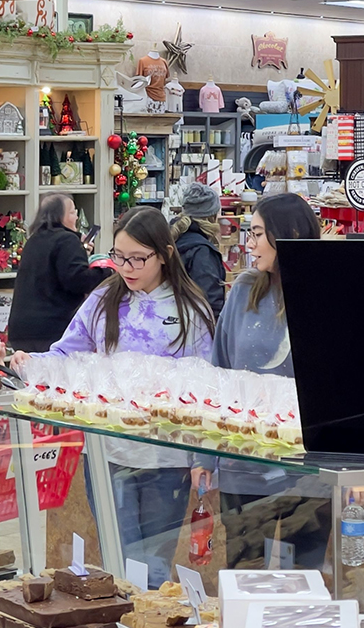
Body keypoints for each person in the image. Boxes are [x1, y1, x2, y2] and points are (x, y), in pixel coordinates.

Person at [14, 206, 216, 587]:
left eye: (138, 258)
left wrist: (202, 457)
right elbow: (67, 353)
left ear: (165, 255)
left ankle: (149, 614)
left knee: (154, 560)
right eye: (119, 257)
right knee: (118, 553)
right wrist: (32, 363)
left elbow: (205, 387)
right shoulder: (103, 299)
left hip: (167, 455)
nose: (127, 267)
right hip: (108, 452)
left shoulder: (190, 310)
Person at [200, 193, 328, 570]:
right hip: (244, 467)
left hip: (307, 471)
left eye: (257, 234)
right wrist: (204, 453)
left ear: (286, 234)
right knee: (243, 576)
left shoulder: (326, 296)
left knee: (303, 578)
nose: (249, 244)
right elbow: (218, 372)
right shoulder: (243, 291)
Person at [6, 194, 110, 353]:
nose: (76, 217)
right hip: (52, 329)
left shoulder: (34, 240)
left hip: (21, 330)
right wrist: (107, 273)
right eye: (72, 212)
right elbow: (77, 280)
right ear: (60, 216)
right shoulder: (67, 240)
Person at [168, 182, 227, 315]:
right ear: (213, 216)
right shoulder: (202, 250)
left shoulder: (171, 237)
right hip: (195, 325)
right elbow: (211, 301)